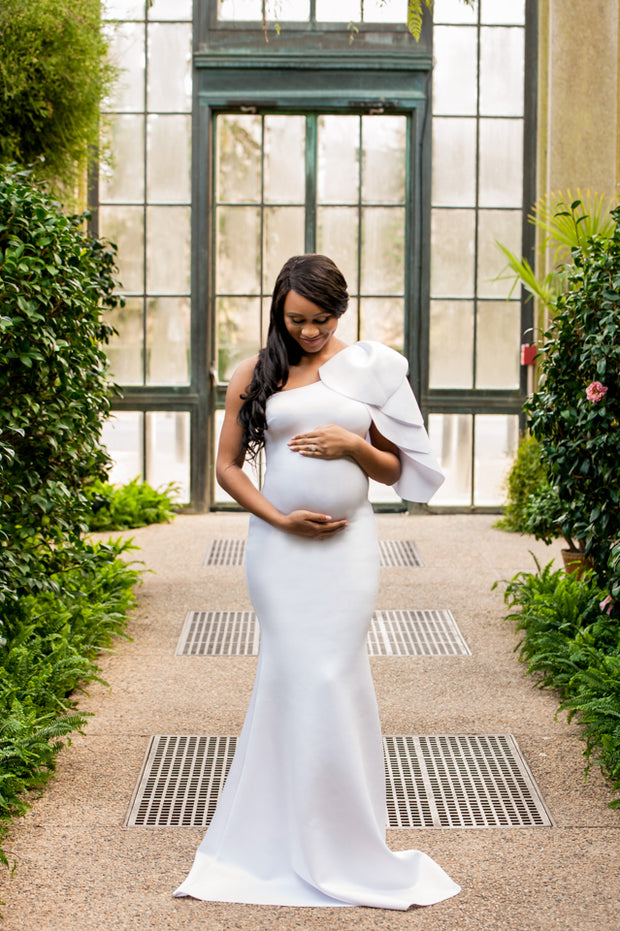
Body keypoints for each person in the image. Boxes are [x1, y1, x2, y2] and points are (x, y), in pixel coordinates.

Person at [174, 254, 460, 909]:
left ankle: (344, 839)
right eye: (297, 319)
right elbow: (226, 467)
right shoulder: (255, 371)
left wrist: (351, 446)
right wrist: (279, 518)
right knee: (288, 675)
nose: (309, 331)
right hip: (279, 552)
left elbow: (394, 469)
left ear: (342, 309)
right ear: (279, 309)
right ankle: (277, 835)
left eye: (322, 319)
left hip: (348, 551)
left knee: (334, 675)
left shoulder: (369, 368)